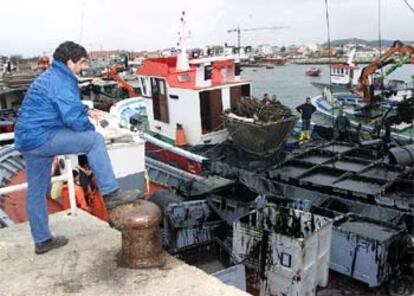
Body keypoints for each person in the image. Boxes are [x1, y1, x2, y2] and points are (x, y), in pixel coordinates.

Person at [14, 41, 139, 255]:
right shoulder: (63, 79)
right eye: (81, 63)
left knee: (35, 192)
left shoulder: (50, 76)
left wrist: (85, 110)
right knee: (94, 141)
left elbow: (61, 104)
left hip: (27, 141)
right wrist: (91, 125)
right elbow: (72, 117)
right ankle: (111, 194)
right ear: (70, 61)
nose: (82, 68)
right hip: (43, 137)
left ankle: (42, 241)